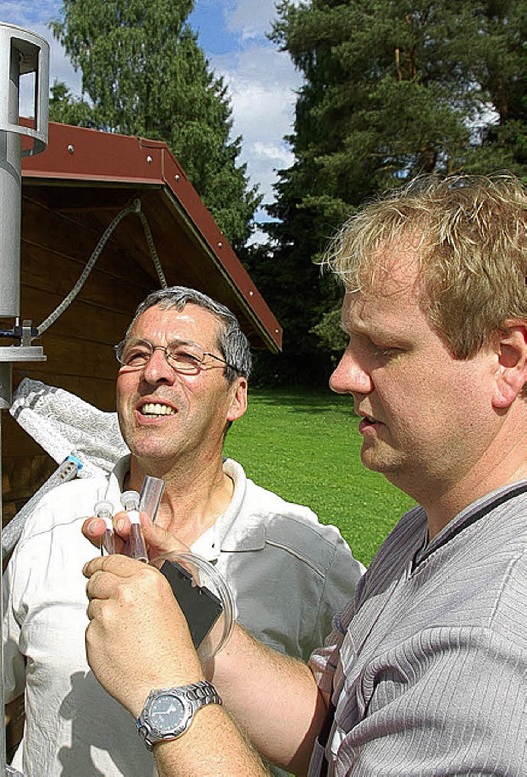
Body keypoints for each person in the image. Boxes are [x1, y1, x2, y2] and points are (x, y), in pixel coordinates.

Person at [81, 175, 527, 776]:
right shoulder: (426, 529)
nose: (343, 376)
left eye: (384, 348)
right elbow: (331, 723)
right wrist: (201, 625)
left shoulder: (491, 638)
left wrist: (170, 693)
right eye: (350, 342)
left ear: (508, 360)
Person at [0, 286, 363, 777]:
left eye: (186, 358)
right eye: (137, 354)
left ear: (236, 396)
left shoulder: (307, 556)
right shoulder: (54, 520)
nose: (154, 373)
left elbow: (363, 727)